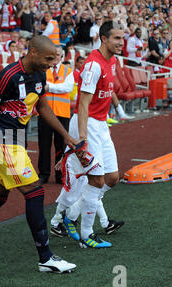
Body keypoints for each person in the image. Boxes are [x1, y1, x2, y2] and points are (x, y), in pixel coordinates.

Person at [0, 35, 78, 273]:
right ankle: (46, 257)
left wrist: (66, 135)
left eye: (54, 59)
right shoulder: (7, 76)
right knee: (35, 191)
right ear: (32, 52)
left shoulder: (40, 74)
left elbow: (42, 107)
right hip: (3, 140)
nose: (52, 63)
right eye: (48, 58)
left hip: (15, 140)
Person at [56, 21, 126, 248]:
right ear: (103, 38)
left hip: (101, 124)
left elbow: (108, 90)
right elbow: (82, 104)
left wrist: (117, 107)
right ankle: (86, 235)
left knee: (112, 178)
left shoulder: (113, 60)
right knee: (95, 180)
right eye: (116, 38)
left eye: (122, 38)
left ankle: (70, 214)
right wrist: (83, 138)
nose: (120, 43)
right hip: (86, 124)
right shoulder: (93, 65)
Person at [38, 46, 74, 185]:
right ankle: (44, 174)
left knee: (61, 145)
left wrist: (50, 87)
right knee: (44, 144)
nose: (55, 57)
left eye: (58, 55)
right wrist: (52, 86)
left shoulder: (68, 71)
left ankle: (61, 175)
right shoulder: (43, 69)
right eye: (53, 54)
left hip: (62, 113)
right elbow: (40, 85)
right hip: (45, 112)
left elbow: (68, 87)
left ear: (62, 57)